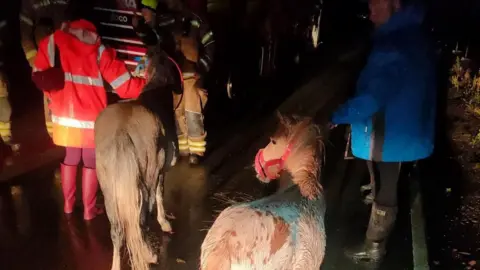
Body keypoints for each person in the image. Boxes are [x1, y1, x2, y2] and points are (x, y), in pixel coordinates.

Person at [329, 0, 435, 263]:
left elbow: (372, 97)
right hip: (403, 126)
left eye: (377, 5)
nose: (370, 11)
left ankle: (374, 247)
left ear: (395, 6)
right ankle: (376, 237)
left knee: (385, 188)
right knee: (387, 182)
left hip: (389, 131)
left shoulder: (393, 46)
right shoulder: (410, 35)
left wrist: (338, 116)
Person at [31, 18, 146, 221]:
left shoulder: (52, 42)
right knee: (90, 161)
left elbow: (39, 75)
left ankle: (68, 205)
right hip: (92, 118)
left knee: (70, 157)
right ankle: (89, 209)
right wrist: (145, 82)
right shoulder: (98, 49)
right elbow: (123, 85)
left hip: (64, 115)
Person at [133, 0, 215, 165]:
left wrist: (201, 70)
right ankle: (183, 148)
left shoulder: (196, 21)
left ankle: (196, 151)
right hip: (174, 76)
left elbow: (210, 45)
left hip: (192, 76)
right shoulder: (165, 21)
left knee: (192, 111)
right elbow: (153, 42)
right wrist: (140, 27)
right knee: (177, 111)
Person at [19, 0, 73, 139]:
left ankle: (71, 135)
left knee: (72, 93)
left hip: (68, 56)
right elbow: (25, 34)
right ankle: (55, 134)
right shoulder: (30, 2)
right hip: (47, 58)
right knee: (50, 96)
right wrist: (34, 60)